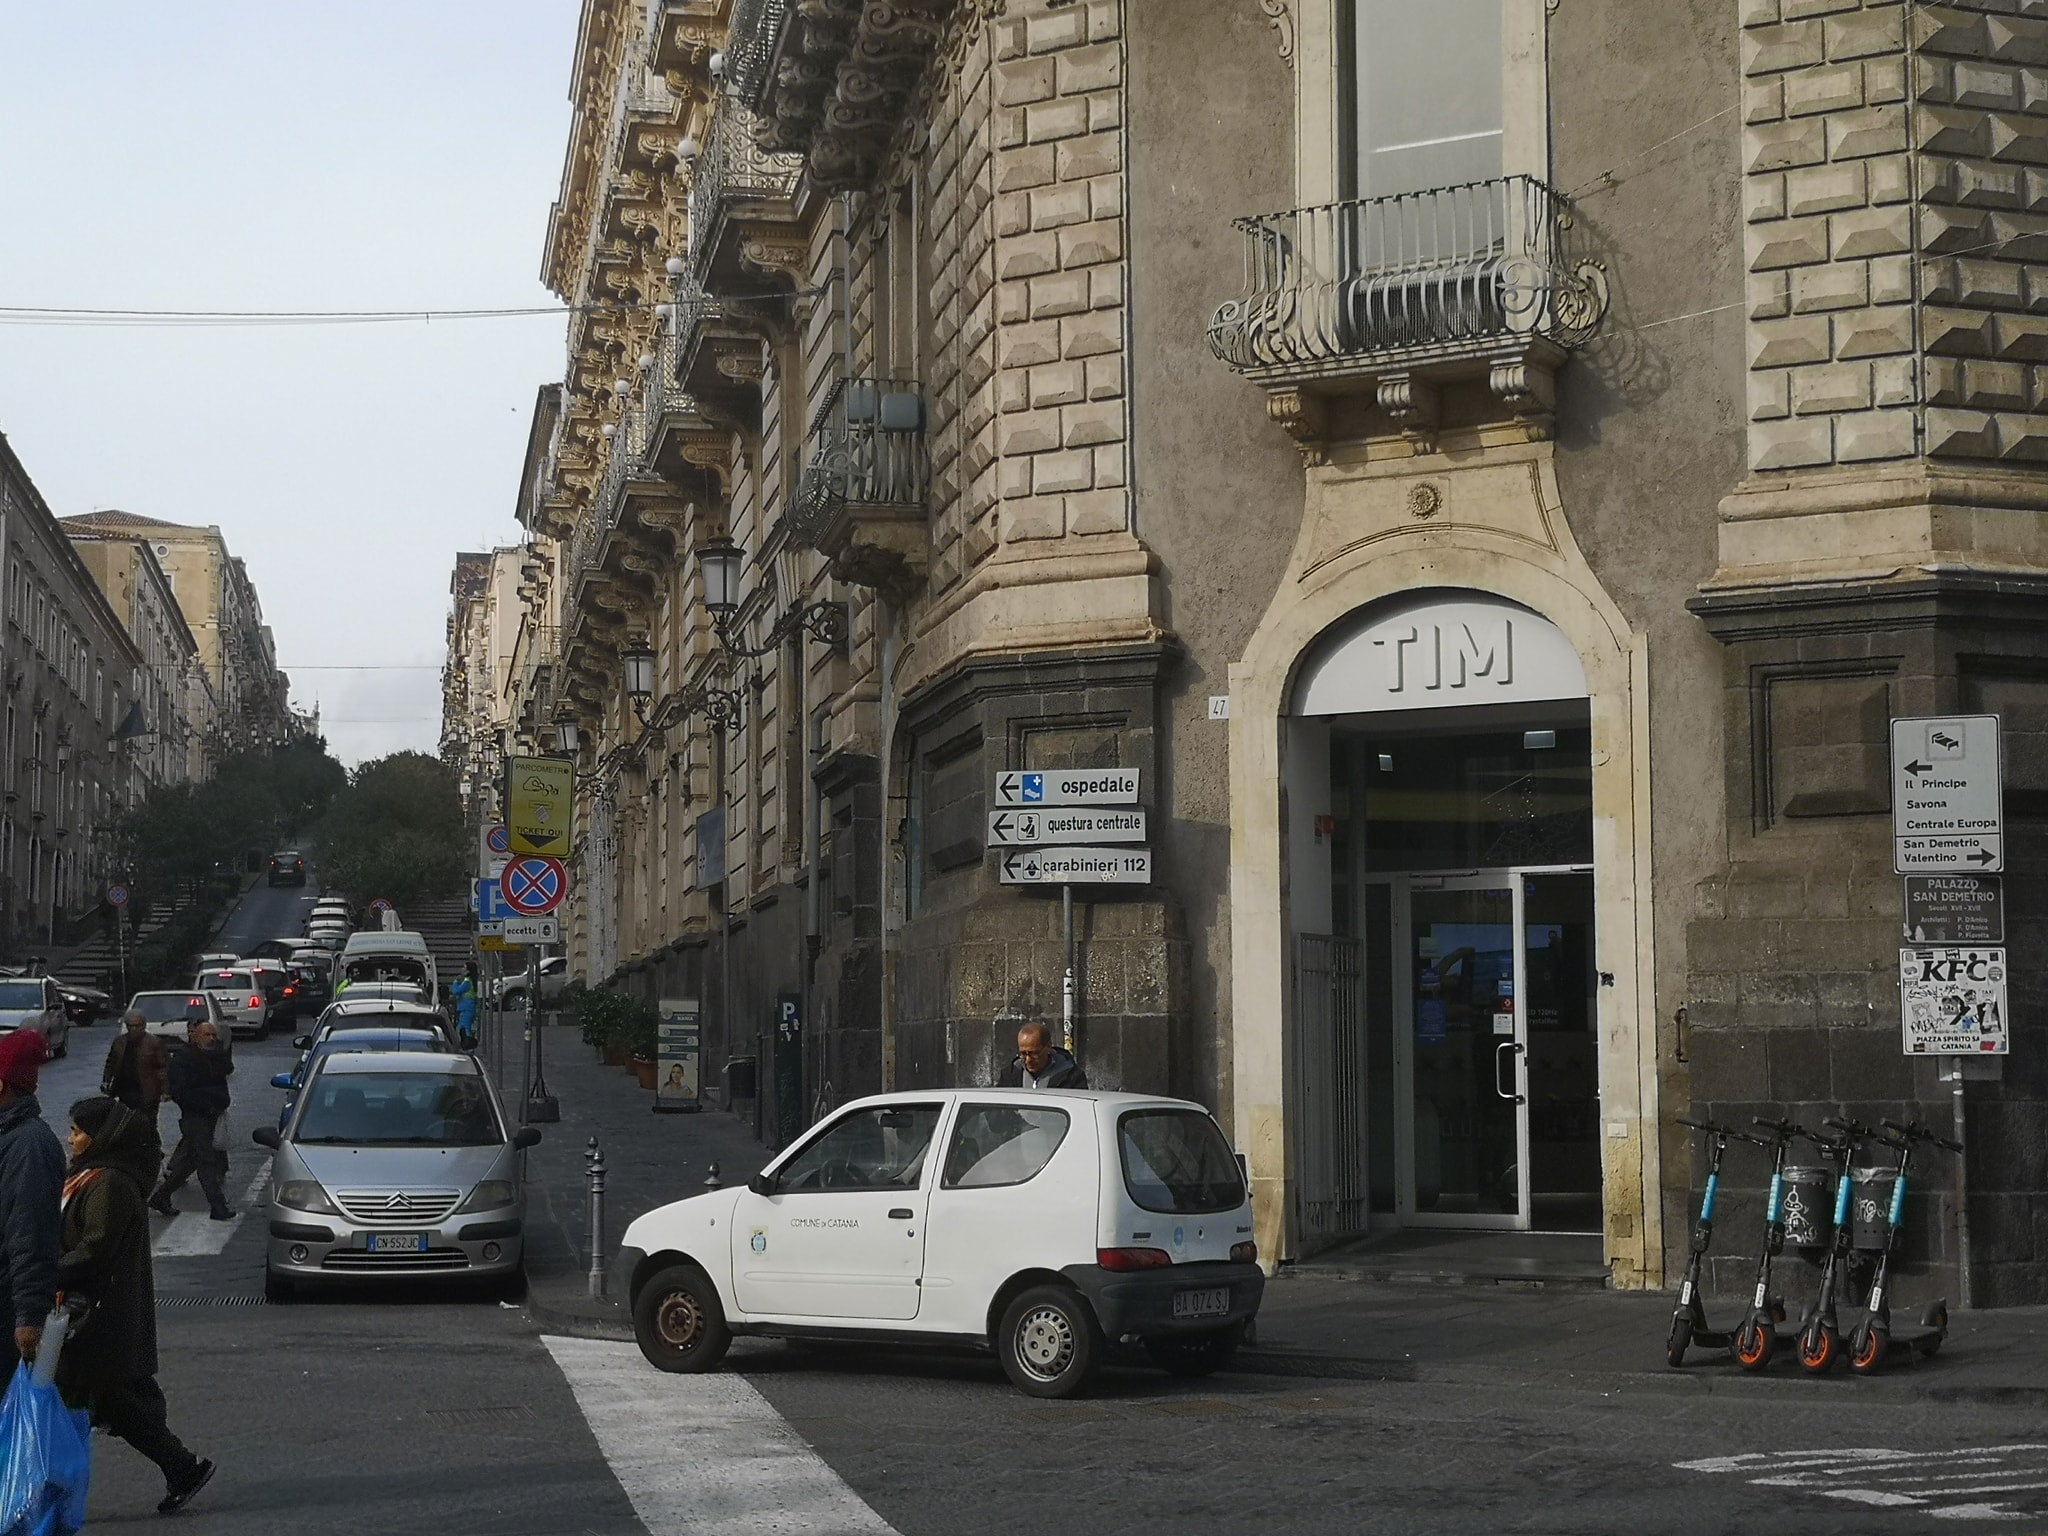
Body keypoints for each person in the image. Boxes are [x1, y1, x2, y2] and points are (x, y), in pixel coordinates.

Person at [58, 1096, 214, 1515]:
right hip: (92, 1308)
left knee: (101, 1395)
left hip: (98, 1310)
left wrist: (49, 1271)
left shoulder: (109, 1181)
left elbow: (96, 1247)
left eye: (77, 1131)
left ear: (102, 1136)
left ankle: (179, 1465)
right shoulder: (92, 1174)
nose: (70, 1139)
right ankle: (181, 1465)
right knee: (110, 1397)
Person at [0, 1031, 62, 1364]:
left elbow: (30, 1232)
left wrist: (29, 1316)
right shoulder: (9, 1135)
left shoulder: (30, 1146)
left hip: (7, 1308)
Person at [149, 1021, 234, 1220]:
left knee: (191, 1161)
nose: (212, 1039)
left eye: (214, 1035)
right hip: (195, 1117)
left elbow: (224, 1078)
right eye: (207, 1035)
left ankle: (160, 1197)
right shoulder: (184, 1059)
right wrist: (206, 1103)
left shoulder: (215, 1057)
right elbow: (180, 1092)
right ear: (195, 1037)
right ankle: (218, 1206)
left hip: (212, 1114)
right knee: (206, 1160)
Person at [101, 1009, 169, 1119]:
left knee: (148, 1123)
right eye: (130, 1026)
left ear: (143, 1025)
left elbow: (162, 1067)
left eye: (137, 1026)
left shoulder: (154, 1043)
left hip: (146, 1091)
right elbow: (111, 1063)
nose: (133, 1029)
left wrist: (165, 1090)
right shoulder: (120, 1042)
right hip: (124, 1090)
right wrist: (106, 1081)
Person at [1000, 1022, 1088, 1089]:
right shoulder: (1010, 1075)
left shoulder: (1071, 1077)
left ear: (1048, 1047)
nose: (1028, 1060)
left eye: (1034, 1053)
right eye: (1023, 1054)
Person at [451, 961, 480, 1051]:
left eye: (464, 967)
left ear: (468, 971)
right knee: (466, 1029)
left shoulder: (467, 982)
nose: (462, 969)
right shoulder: (472, 981)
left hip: (466, 1008)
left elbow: (456, 991)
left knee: (465, 1030)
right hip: (469, 1007)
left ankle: (469, 1049)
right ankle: (468, 1047)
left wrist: (455, 982)